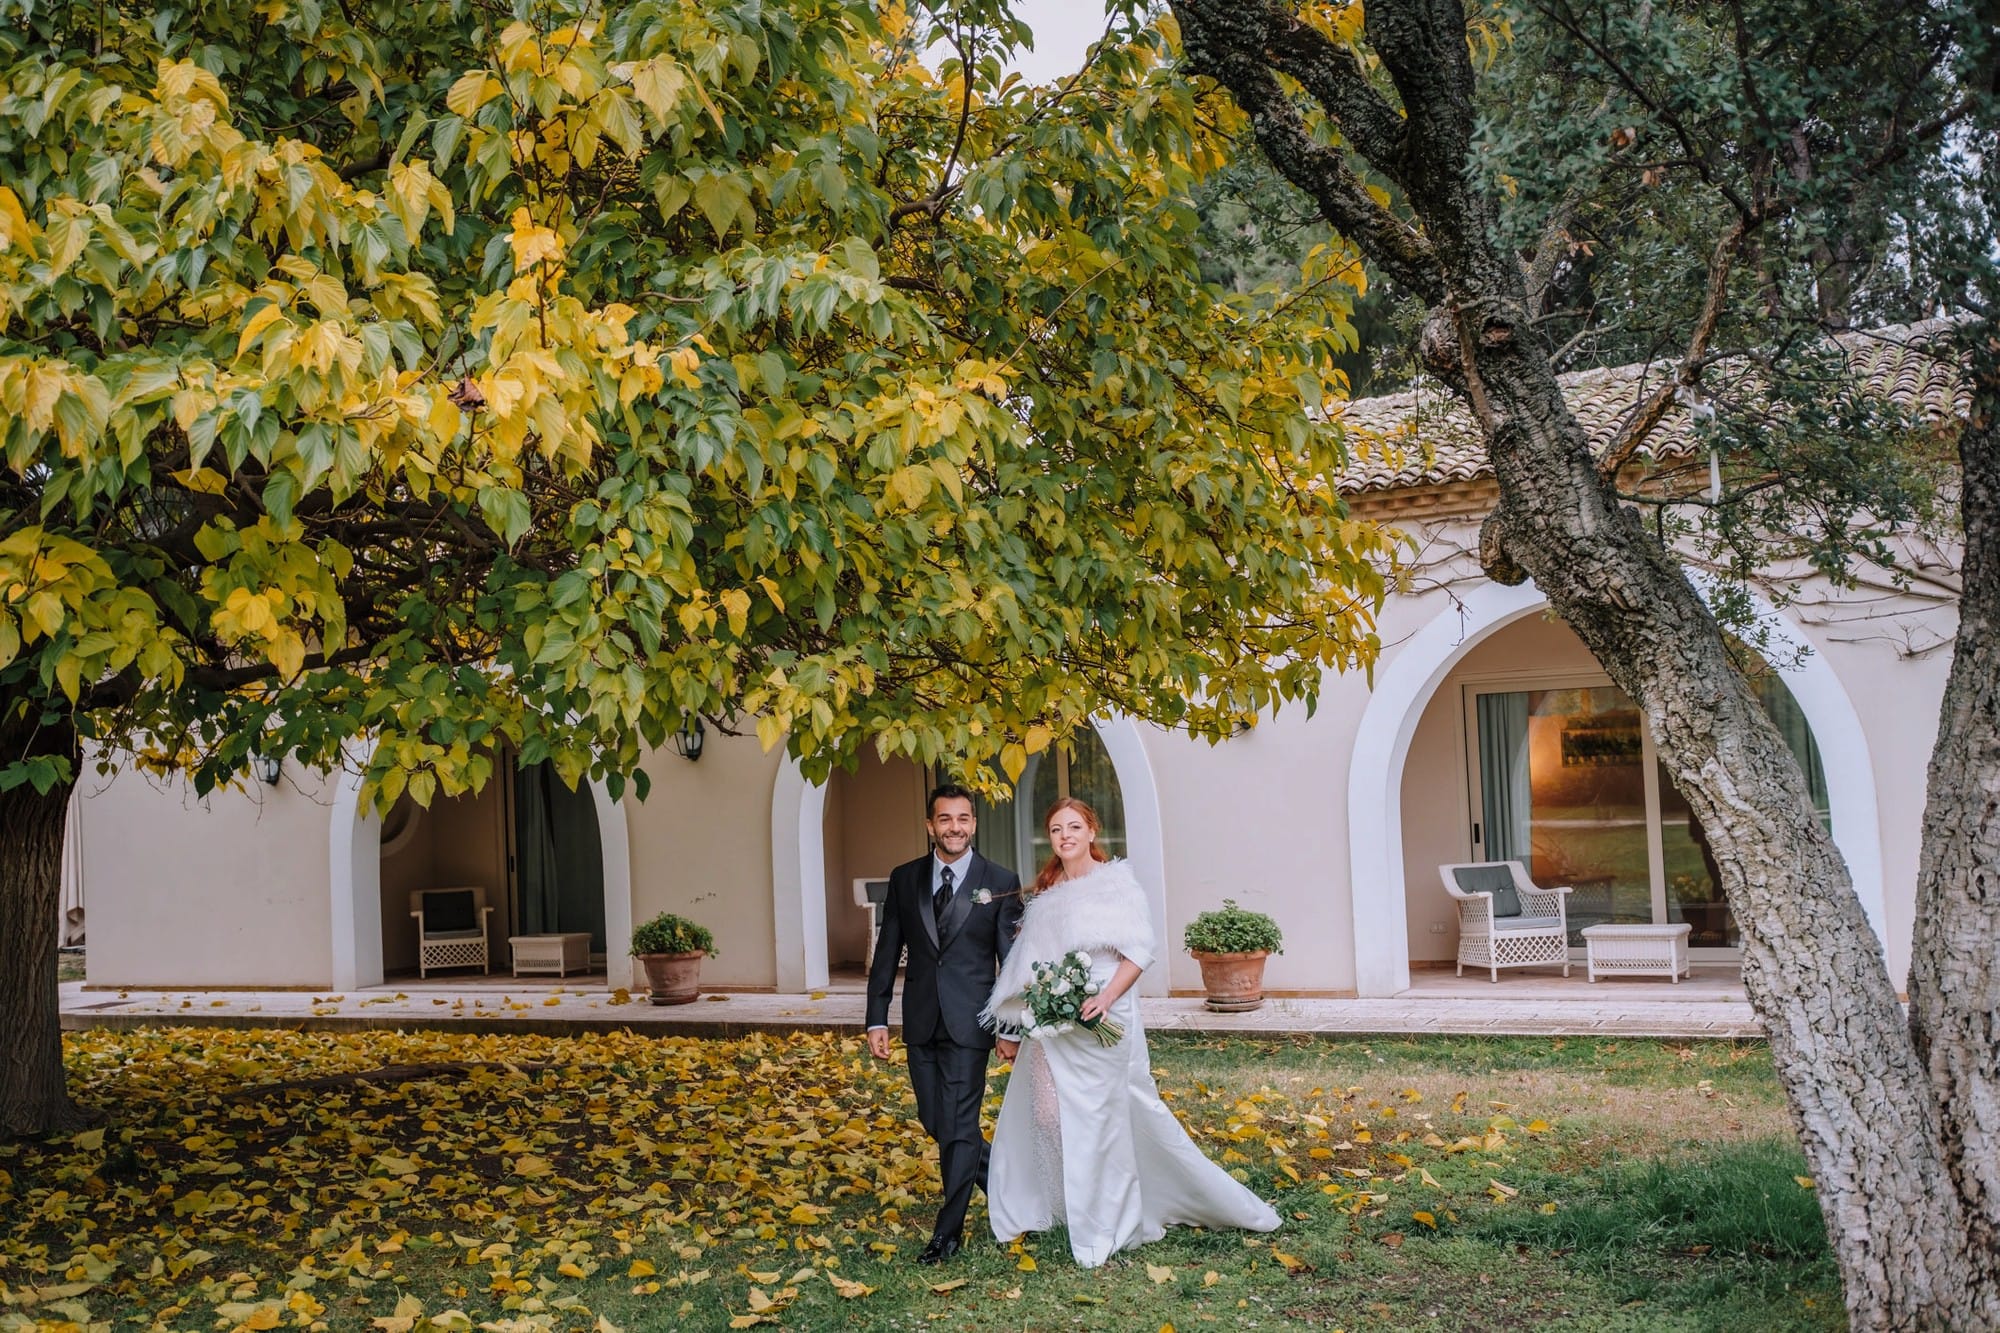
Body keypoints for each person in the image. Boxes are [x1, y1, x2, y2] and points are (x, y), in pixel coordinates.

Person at [982, 797, 1281, 1267]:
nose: (1066, 836)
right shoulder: (1049, 891)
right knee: (1046, 1115)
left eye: (1074, 827)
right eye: (1057, 829)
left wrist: (1104, 998)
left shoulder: (1115, 884)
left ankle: (1109, 1217)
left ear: (1092, 833)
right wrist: (1017, 1024)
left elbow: (1139, 952)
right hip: (1054, 1022)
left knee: (1100, 1121)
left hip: (1103, 1018)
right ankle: (1059, 1204)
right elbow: (1027, 964)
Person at [865, 783, 1025, 1265]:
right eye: (944, 819)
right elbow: (887, 951)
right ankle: (1006, 1180)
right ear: (930, 825)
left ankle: (948, 1232)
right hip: (919, 1022)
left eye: (963, 819)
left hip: (971, 1023)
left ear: (973, 824)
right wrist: (877, 1018)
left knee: (958, 1123)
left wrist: (1009, 1026)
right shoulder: (904, 878)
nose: (954, 828)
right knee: (938, 1121)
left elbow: (1011, 961)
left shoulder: (1000, 879)